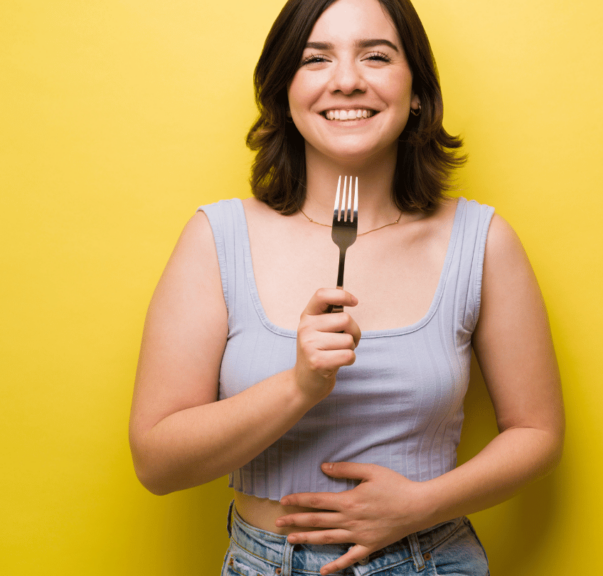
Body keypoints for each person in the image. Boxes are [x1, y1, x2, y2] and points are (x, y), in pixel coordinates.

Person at [128, 0, 564, 574]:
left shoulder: (481, 240)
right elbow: (158, 465)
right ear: (285, 89)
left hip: (429, 558)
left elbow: (537, 431)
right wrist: (299, 386)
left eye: (377, 56)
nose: (348, 81)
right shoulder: (216, 238)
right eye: (316, 59)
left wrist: (420, 505)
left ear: (416, 91)